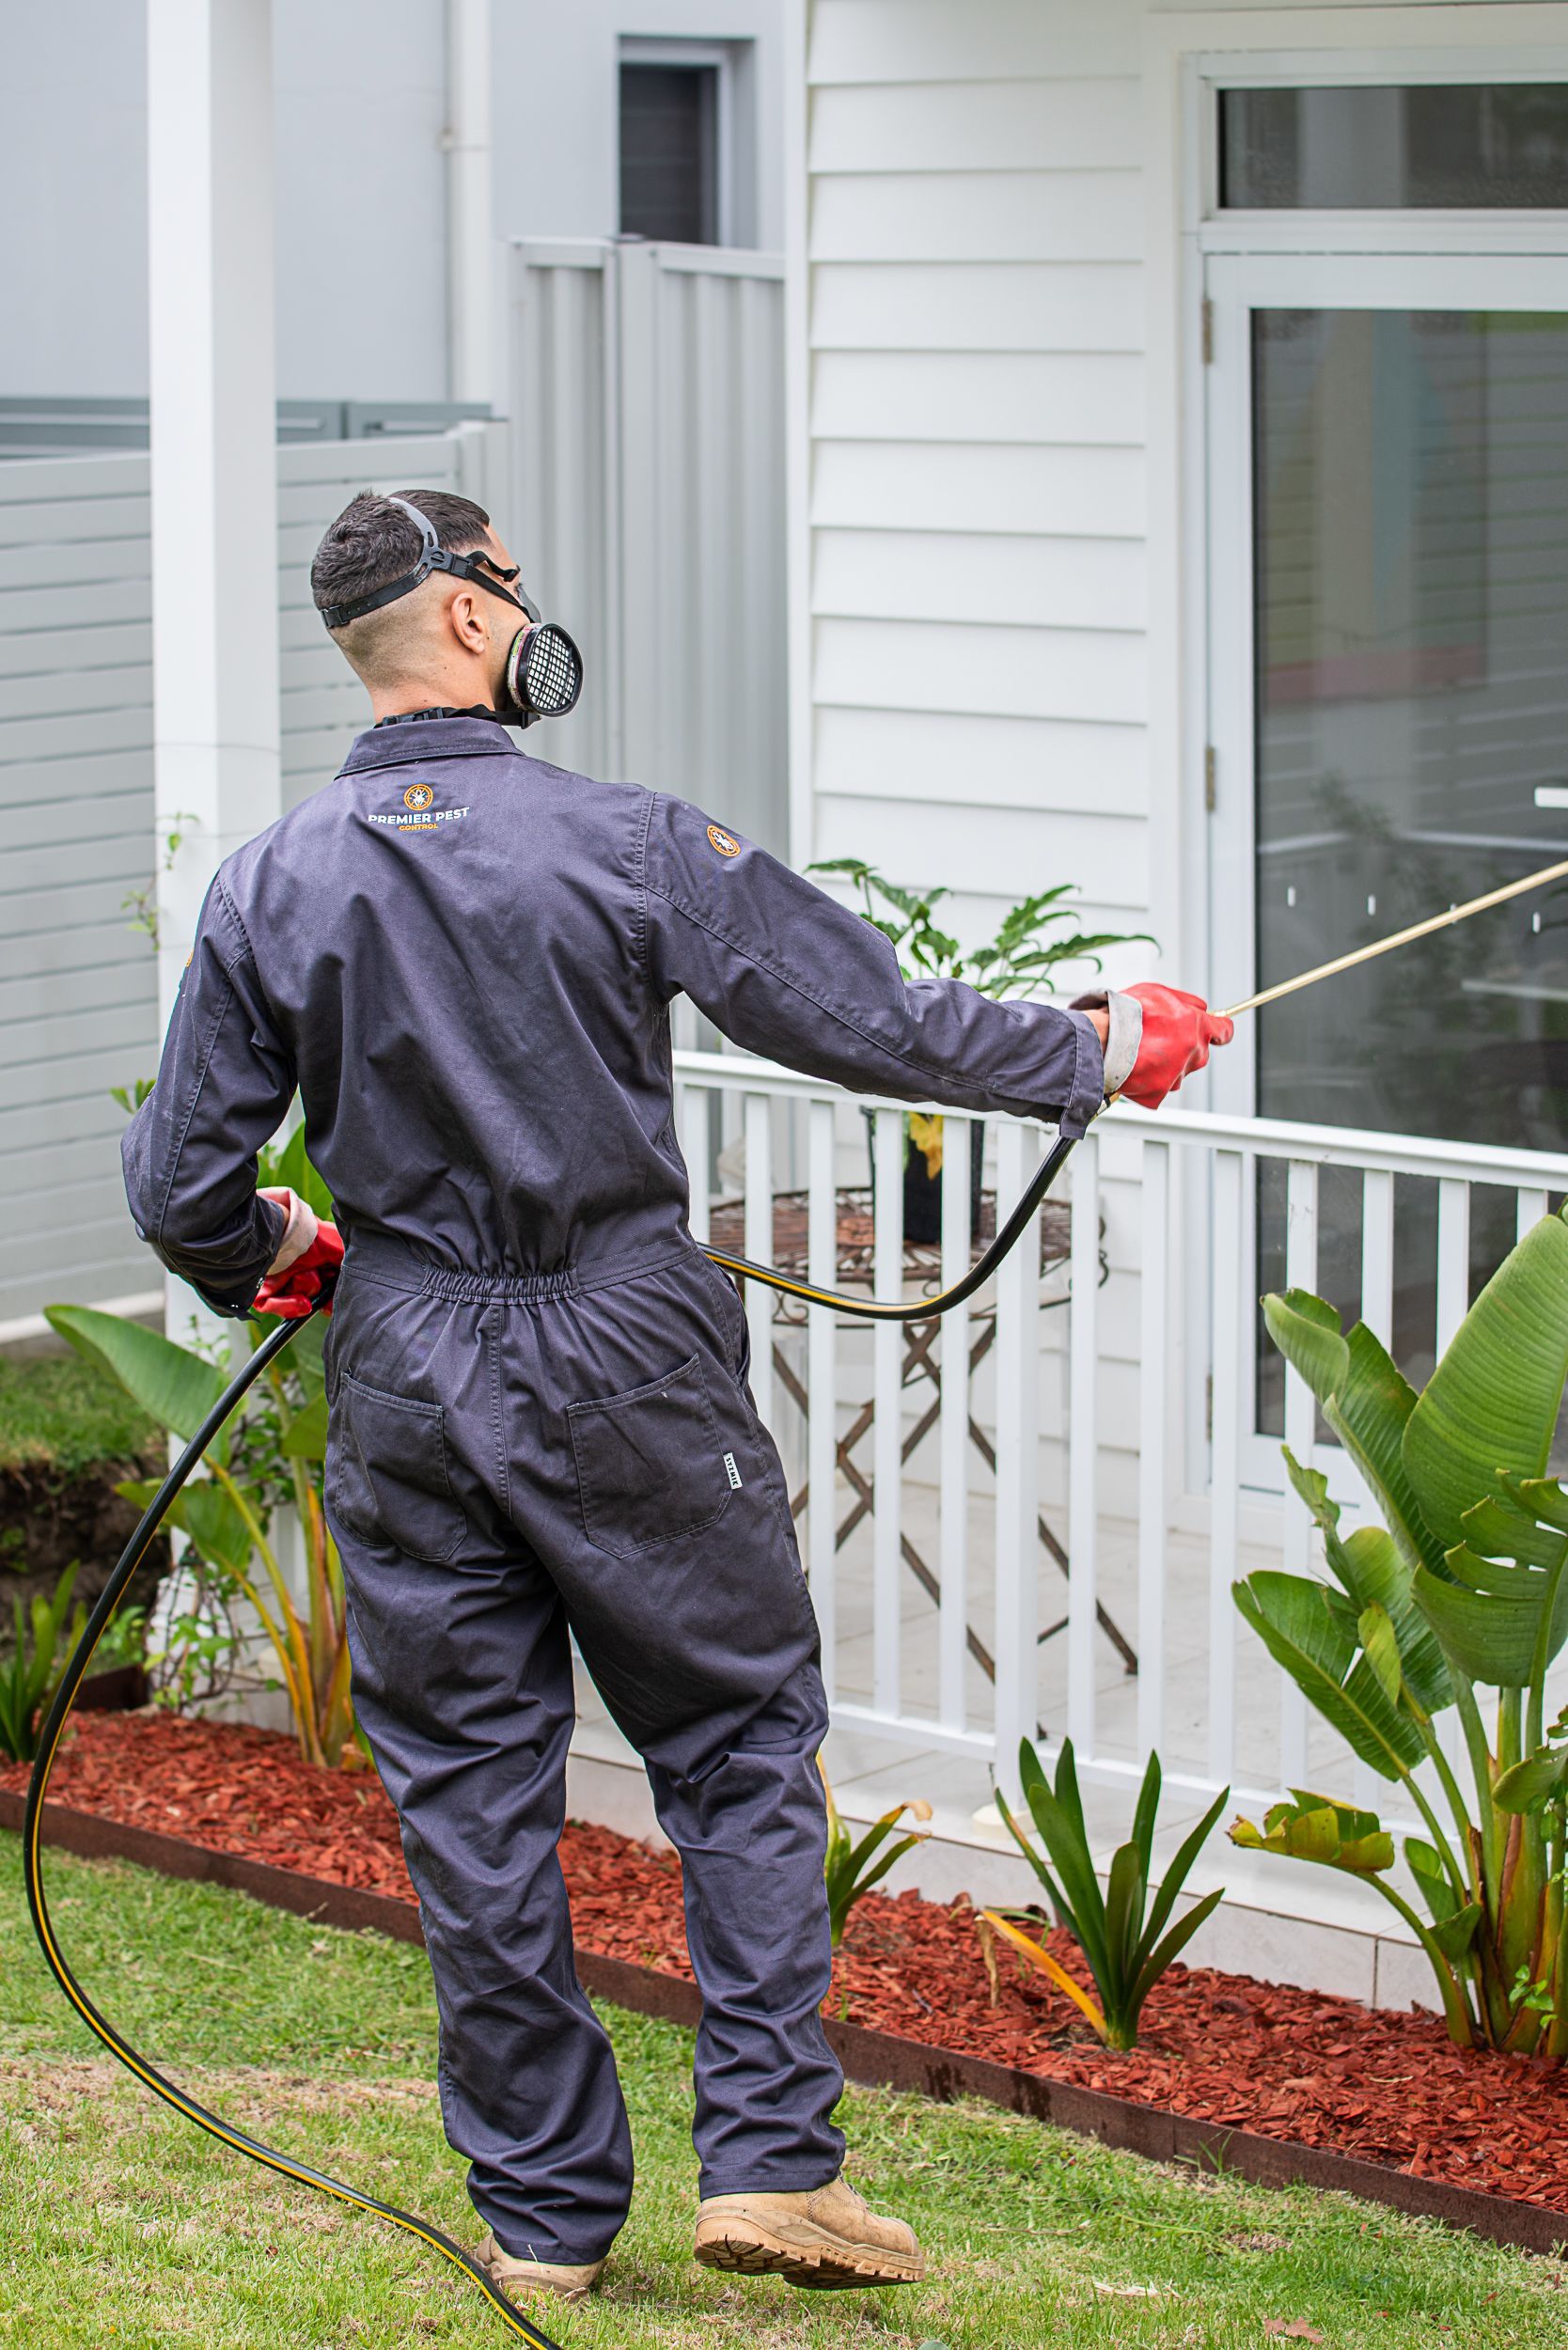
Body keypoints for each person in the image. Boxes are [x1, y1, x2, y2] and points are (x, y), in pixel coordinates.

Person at [122, 487, 1231, 2309]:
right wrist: (1103, 1043)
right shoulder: (624, 839)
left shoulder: (268, 880)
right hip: (623, 1343)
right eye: (519, 585)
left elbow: (181, 1190)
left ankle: (546, 2215)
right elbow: (866, 1016)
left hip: (405, 1363)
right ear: (474, 621)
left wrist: (284, 1250)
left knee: (474, 1792)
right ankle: (775, 2159)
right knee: (730, 1737)